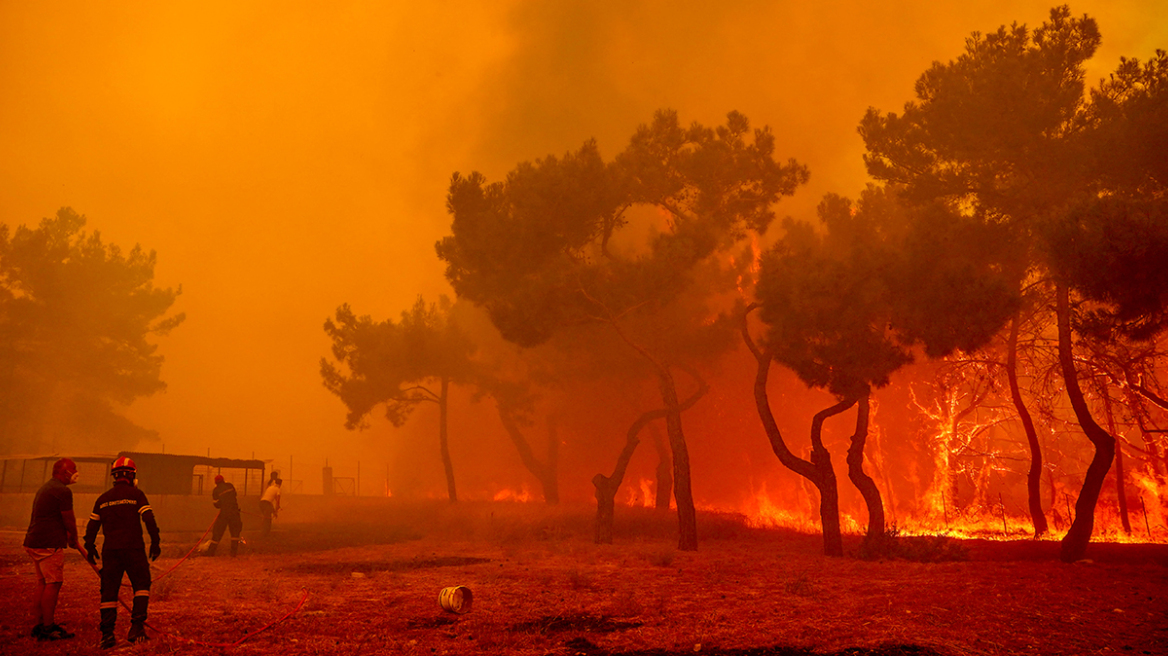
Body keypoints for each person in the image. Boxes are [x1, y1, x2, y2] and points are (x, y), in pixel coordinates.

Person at [83, 457, 161, 649]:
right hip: (134, 548)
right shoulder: (137, 495)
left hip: (110, 551)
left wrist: (90, 546)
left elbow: (92, 526)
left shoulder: (103, 499)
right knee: (141, 585)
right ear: (132, 475)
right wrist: (155, 542)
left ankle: (107, 635)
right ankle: (137, 628)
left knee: (109, 592)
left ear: (114, 476)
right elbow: (149, 518)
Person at [24, 457, 80, 642]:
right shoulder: (62, 491)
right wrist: (74, 537)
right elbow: (68, 518)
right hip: (49, 543)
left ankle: (39, 625)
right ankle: (48, 628)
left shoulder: (47, 487)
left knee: (43, 583)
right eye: (73, 469)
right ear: (64, 472)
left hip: (34, 541)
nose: (76, 472)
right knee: (53, 583)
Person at [207, 474, 242, 556]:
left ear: (215, 482)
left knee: (217, 532)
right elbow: (234, 495)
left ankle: (210, 552)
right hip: (235, 512)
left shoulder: (216, 490)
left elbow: (216, 505)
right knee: (235, 533)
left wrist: (223, 504)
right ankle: (233, 553)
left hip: (224, 513)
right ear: (223, 480)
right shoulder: (230, 485)